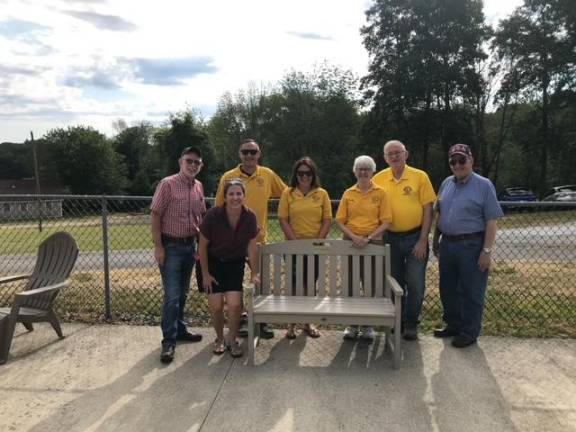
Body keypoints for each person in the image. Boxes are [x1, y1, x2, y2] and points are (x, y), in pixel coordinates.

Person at [432, 143, 504, 348]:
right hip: (448, 244)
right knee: (447, 289)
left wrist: (486, 251)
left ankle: (469, 332)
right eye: (453, 161)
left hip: (472, 245)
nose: (457, 164)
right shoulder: (447, 183)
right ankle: (453, 325)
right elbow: (440, 213)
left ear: (471, 160)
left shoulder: (484, 185)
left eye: (462, 160)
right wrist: (436, 238)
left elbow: (492, 221)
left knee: (472, 290)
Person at [215, 138, 287, 339]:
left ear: (259, 154)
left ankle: (262, 321)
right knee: (235, 284)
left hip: (258, 240)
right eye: (245, 152)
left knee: (260, 282)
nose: (249, 156)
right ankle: (244, 320)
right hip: (233, 243)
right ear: (239, 154)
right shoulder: (228, 177)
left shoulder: (267, 174)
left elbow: (287, 193)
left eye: (252, 152)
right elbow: (218, 209)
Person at [372, 140, 436, 341]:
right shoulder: (378, 178)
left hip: (415, 237)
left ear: (406, 154)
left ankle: (411, 324)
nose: (394, 156)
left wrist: (423, 240)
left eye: (397, 153)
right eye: (389, 154)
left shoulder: (419, 176)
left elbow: (428, 209)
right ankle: (396, 322)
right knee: (394, 283)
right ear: (384, 158)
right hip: (390, 239)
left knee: (416, 283)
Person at [151, 146, 206, 364]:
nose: (192, 165)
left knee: (183, 293)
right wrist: (159, 247)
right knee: (172, 295)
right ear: (180, 162)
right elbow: (155, 215)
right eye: (189, 161)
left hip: (190, 246)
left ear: (200, 166)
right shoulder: (168, 184)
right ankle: (168, 342)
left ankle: (180, 330)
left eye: (196, 162)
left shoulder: (199, 186)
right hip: (171, 246)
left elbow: (200, 216)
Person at [198, 179, 260, 358]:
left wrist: (254, 272)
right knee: (216, 307)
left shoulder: (250, 217)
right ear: (224, 196)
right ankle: (219, 338)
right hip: (213, 264)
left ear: (244, 195)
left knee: (234, 305)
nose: (235, 197)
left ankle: (232, 340)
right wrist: (205, 274)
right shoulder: (212, 215)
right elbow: (202, 247)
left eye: (239, 193)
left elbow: (251, 247)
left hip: (234, 263)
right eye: (231, 194)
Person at [335, 155, 392, 341]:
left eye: (367, 168)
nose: (363, 171)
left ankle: (368, 326)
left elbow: (386, 221)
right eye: (360, 168)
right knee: (351, 284)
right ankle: (352, 325)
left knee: (371, 284)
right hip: (350, 242)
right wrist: (354, 237)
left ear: (373, 171)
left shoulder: (381, 193)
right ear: (355, 171)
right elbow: (340, 220)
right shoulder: (348, 193)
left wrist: (368, 238)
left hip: (373, 242)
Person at [278, 157, 332, 339]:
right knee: (294, 286)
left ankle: (308, 323)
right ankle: (291, 325)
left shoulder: (322, 193)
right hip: (293, 247)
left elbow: (327, 220)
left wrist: (317, 242)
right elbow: (283, 219)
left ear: (313, 174)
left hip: (315, 247)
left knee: (310, 286)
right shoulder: (288, 193)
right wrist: (295, 242)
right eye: (300, 173)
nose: (304, 177)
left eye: (308, 173)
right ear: (296, 174)